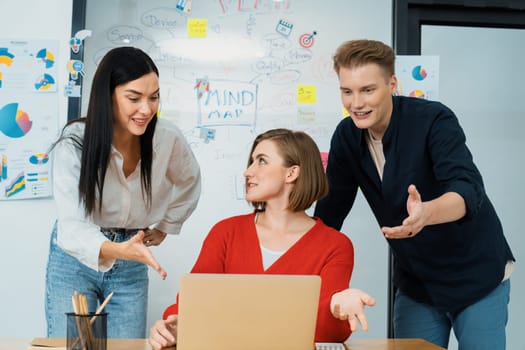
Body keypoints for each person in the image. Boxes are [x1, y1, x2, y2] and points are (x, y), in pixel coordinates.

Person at [314, 39, 515, 349]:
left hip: (477, 275)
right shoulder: (346, 136)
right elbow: (331, 212)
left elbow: (467, 188)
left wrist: (426, 214)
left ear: (392, 84)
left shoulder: (433, 120)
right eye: (347, 91)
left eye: (368, 90)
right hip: (418, 283)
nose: (356, 103)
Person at [148, 128, 359, 350]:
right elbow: (192, 305)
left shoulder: (335, 246)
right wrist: (173, 325)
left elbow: (327, 333)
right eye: (251, 162)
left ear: (291, 173)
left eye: (261, 161)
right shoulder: (226, 233)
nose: (248, 172)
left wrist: (337, 310)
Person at [45, 46, 201, 338]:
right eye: (134, 98)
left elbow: (190, 181)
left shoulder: (167, 138)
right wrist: (119, 249)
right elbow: (72, 227)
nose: (146, 109)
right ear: (108, 96)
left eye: (154, 97)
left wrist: (167, 226)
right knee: (76, 345)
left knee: (126, 346)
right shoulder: (75, 142)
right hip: (74, 261)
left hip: (131, 262)